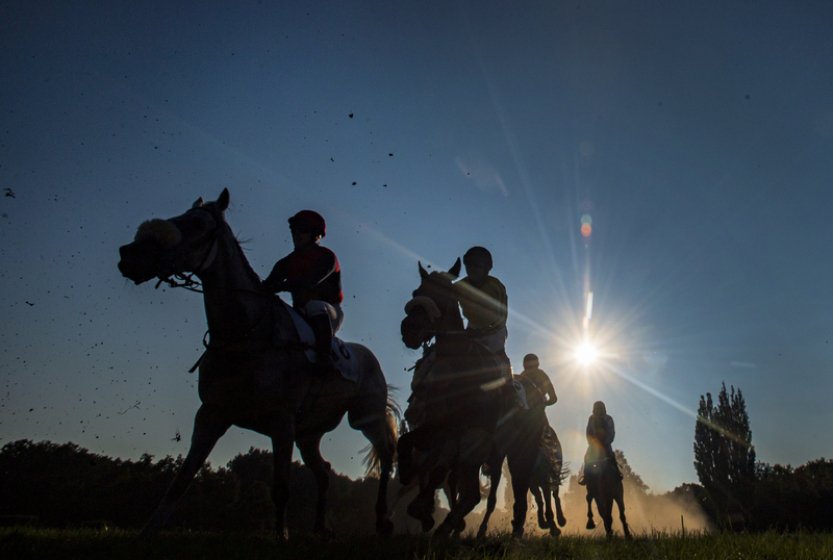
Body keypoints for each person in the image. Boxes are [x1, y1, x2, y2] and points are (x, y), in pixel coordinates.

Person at [263, 210, 343, 372]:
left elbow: (311, 282)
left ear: (316, 235)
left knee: (314, 305)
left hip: (330, 311)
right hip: (300, 312)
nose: (297, 235)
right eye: (295, 230)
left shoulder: (327, 257)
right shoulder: (285, 262)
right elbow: (267, 287)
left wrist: (281, 286)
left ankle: (324, 358)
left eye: (304, 231)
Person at [453, 246, 514, 410]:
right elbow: (443, 296)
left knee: (498, 357)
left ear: (486, 268)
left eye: (476, 266)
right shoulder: (460, 285)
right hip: (471, 330)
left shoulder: (496, 286)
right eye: (469, 265)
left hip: (494, 332)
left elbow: (502, 315)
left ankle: (510, 390)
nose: (472, 270)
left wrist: (486, 329)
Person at [581, 400, 622, 482]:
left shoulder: (608, 418)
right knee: (587, 458)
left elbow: (611, 432)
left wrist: (606, 441)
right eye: (596, 408)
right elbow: (588, 432)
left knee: (611, 458)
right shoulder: (591, 419)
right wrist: (591, 442)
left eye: (600, 408)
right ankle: (586, 476)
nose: (598, 410)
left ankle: (618, 474)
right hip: (594, 446)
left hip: (606, 445)